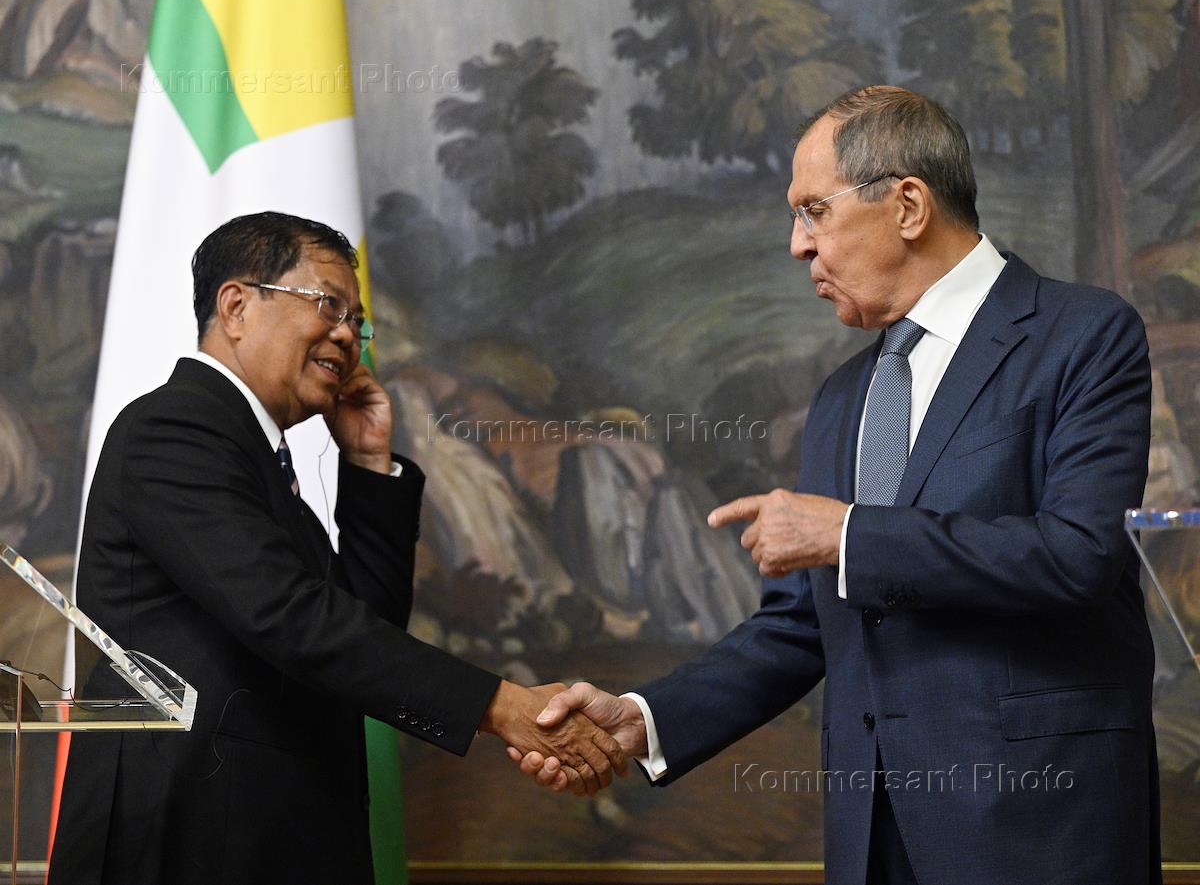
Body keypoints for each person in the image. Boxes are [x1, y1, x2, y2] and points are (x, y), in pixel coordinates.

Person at [517, 87, 1160, 885]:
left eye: (813, 211)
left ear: (908, 206)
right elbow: (799, 627)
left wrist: (848, 533)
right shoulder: (839, 399)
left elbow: (1078, 554)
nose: (797, 245)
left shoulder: (1084, 335)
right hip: (868, 842)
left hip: (1038, 832)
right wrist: (644, 721)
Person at [48, 212, 624, 885]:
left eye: (357, 321)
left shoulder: (257, 456)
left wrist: (369, 463)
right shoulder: (176, 428)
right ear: (236, 306)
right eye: (328, 305)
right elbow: (293, 618)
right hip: (186, 837)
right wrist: (502, 707)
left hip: (268, 833)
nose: (349, 336)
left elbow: (360, 628)